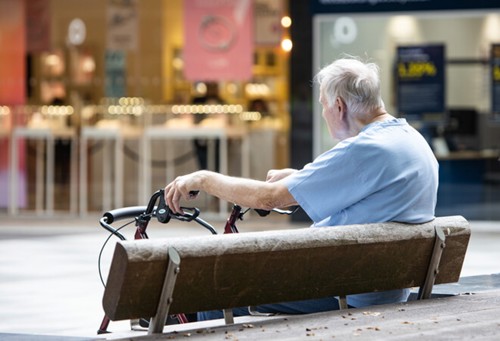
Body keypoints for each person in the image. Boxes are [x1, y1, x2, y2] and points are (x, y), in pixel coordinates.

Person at [164, 57, 439, 320]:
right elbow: (371, 191)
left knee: (219, 287)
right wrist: (302, 178)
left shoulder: (363, 150)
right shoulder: (411, 140)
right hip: (382, 285)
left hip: (346, 290)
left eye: (323, 105)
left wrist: (203, 179)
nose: (323, 113)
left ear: (339, 106)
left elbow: (267, 198)